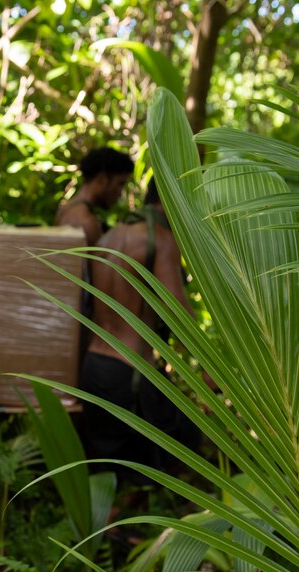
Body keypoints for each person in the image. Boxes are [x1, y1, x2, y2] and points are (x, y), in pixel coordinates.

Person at [79, 178, 202, 482]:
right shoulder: (159, 238)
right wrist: (208, 371)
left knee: (106, 469)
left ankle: (114, 525)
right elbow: (177, 311)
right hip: (130, 373)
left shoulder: (110, 236)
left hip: (93, 366)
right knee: (176, 447)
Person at [55, 147, 134, 245]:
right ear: (102, 179)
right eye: (120, 184)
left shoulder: (65, 209)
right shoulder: (87, 223)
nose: (120, 192)